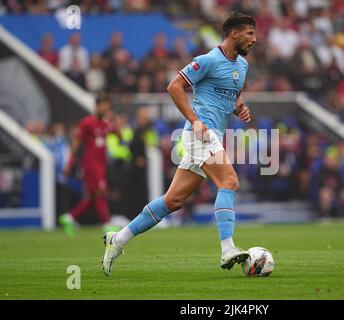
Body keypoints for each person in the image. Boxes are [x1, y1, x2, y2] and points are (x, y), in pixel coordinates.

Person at [102, 12, 256, 276]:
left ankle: (118, 239)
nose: (254, 39)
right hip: (199, 134)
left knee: (173, 200)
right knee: (229, 181)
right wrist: (195, 120)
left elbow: (233, 96)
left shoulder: (242, 66)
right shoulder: (208, 60)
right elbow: (174, 87)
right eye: (250, 33)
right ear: (234, 33)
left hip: (213, 135)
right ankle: (228, 248)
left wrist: (239, 108)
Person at [59, 94, 120, 237]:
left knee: (93, 197)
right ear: (97, 106)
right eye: (103, 105)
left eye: (107, 105)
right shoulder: (87, 123)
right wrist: (69, 163)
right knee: (101, 192)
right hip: (90, 165)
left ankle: (69, 217)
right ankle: (107, 224)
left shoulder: (105, 124)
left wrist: (115, 121)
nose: (106, 108)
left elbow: (120, 136)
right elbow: (76, 143)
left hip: (101, 164)